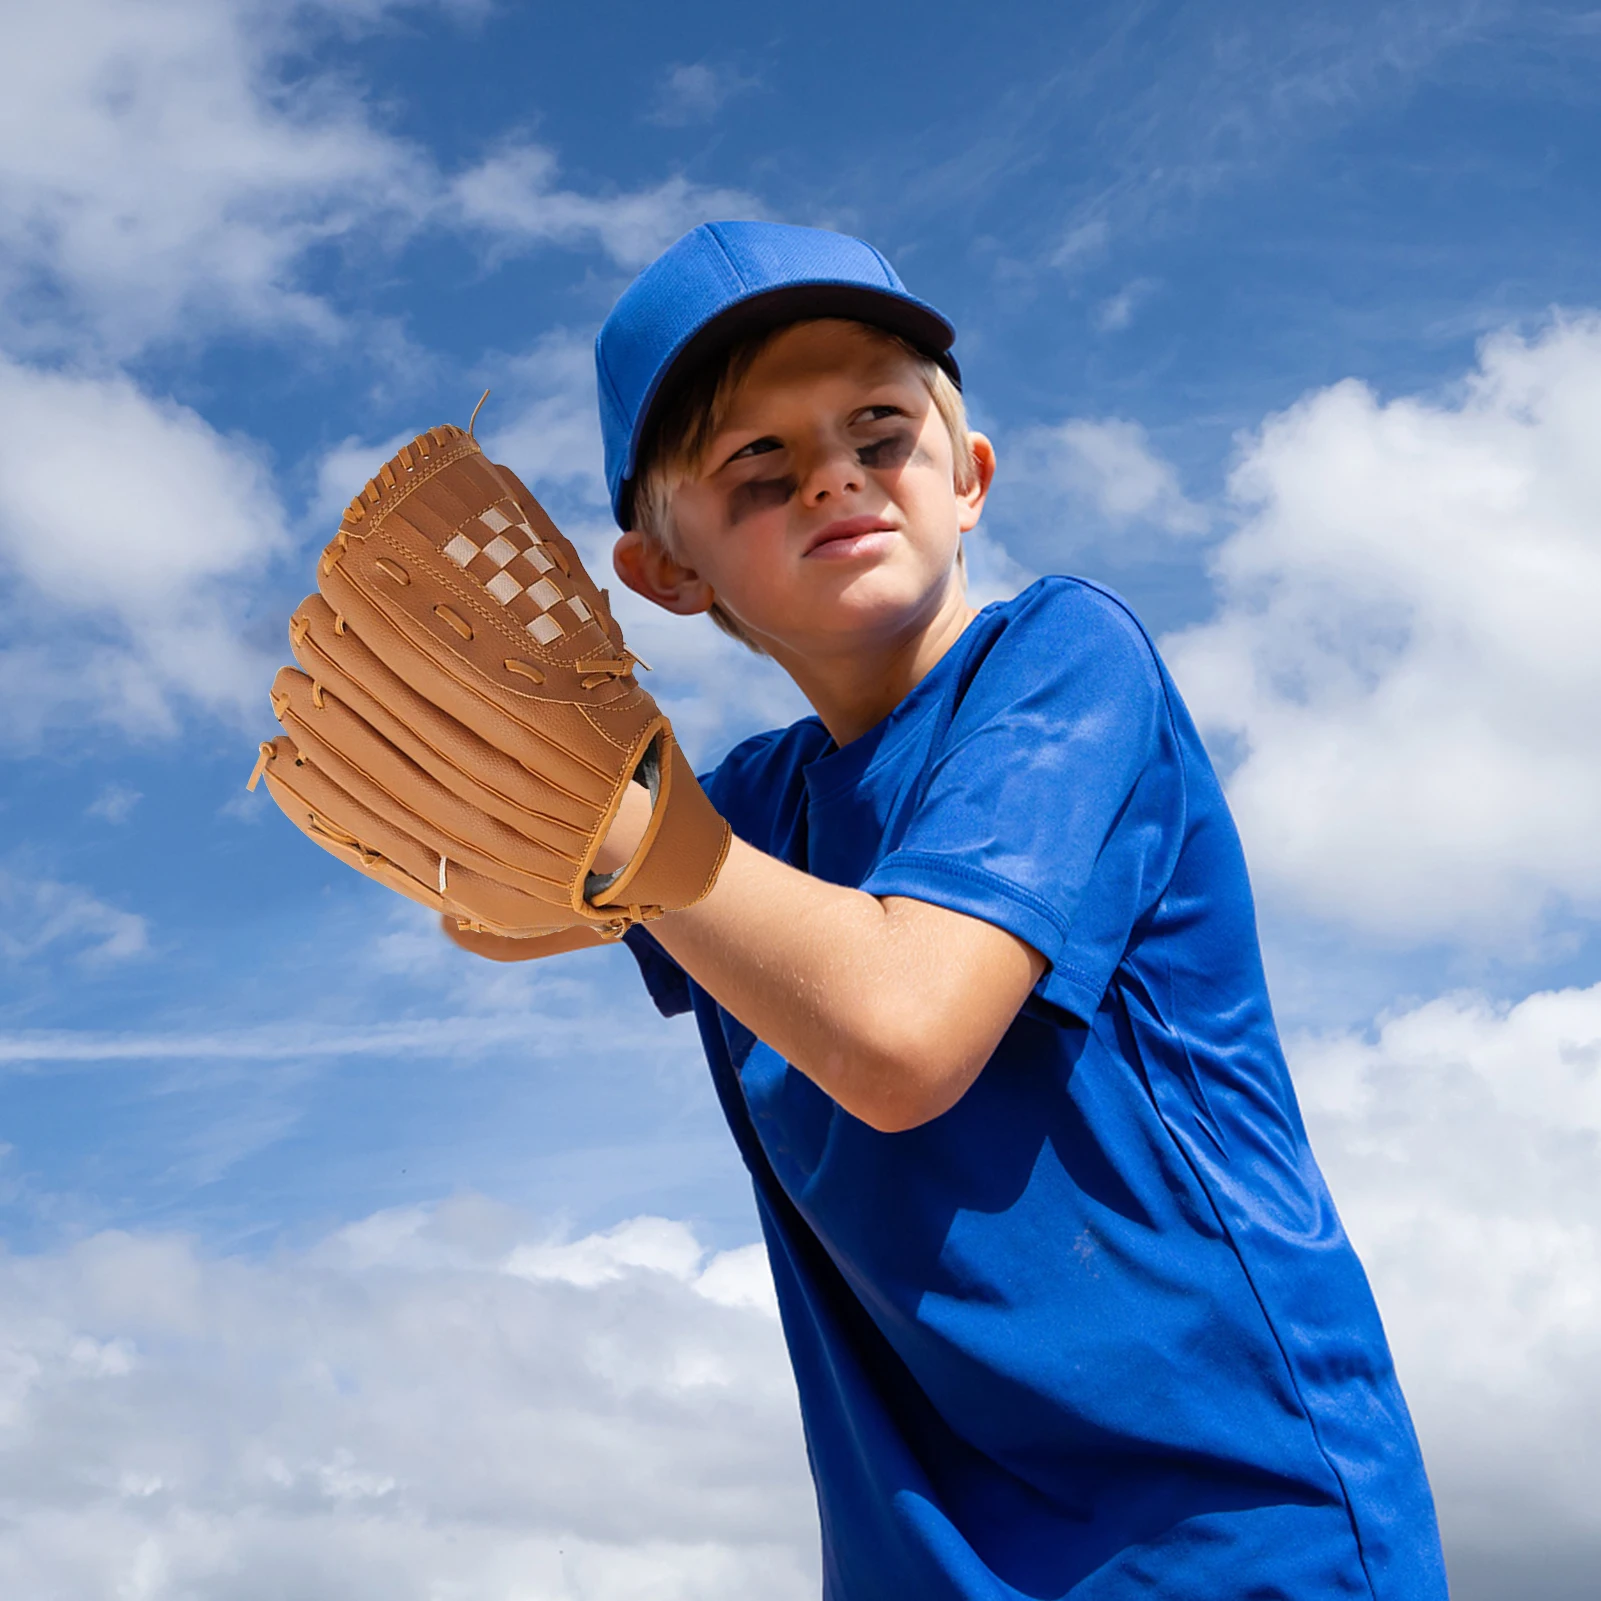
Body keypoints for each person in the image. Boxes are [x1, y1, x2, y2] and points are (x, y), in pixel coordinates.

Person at [586, 220, 1448, 1599]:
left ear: (968, 475)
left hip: (1225, 1540)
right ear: (665, 572)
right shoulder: (740, 812)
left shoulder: (1064, 663)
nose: (834, 479)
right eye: (757, 460)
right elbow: (488, 897)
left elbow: (901, 1034)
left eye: (880, 427)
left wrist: (619, 819)